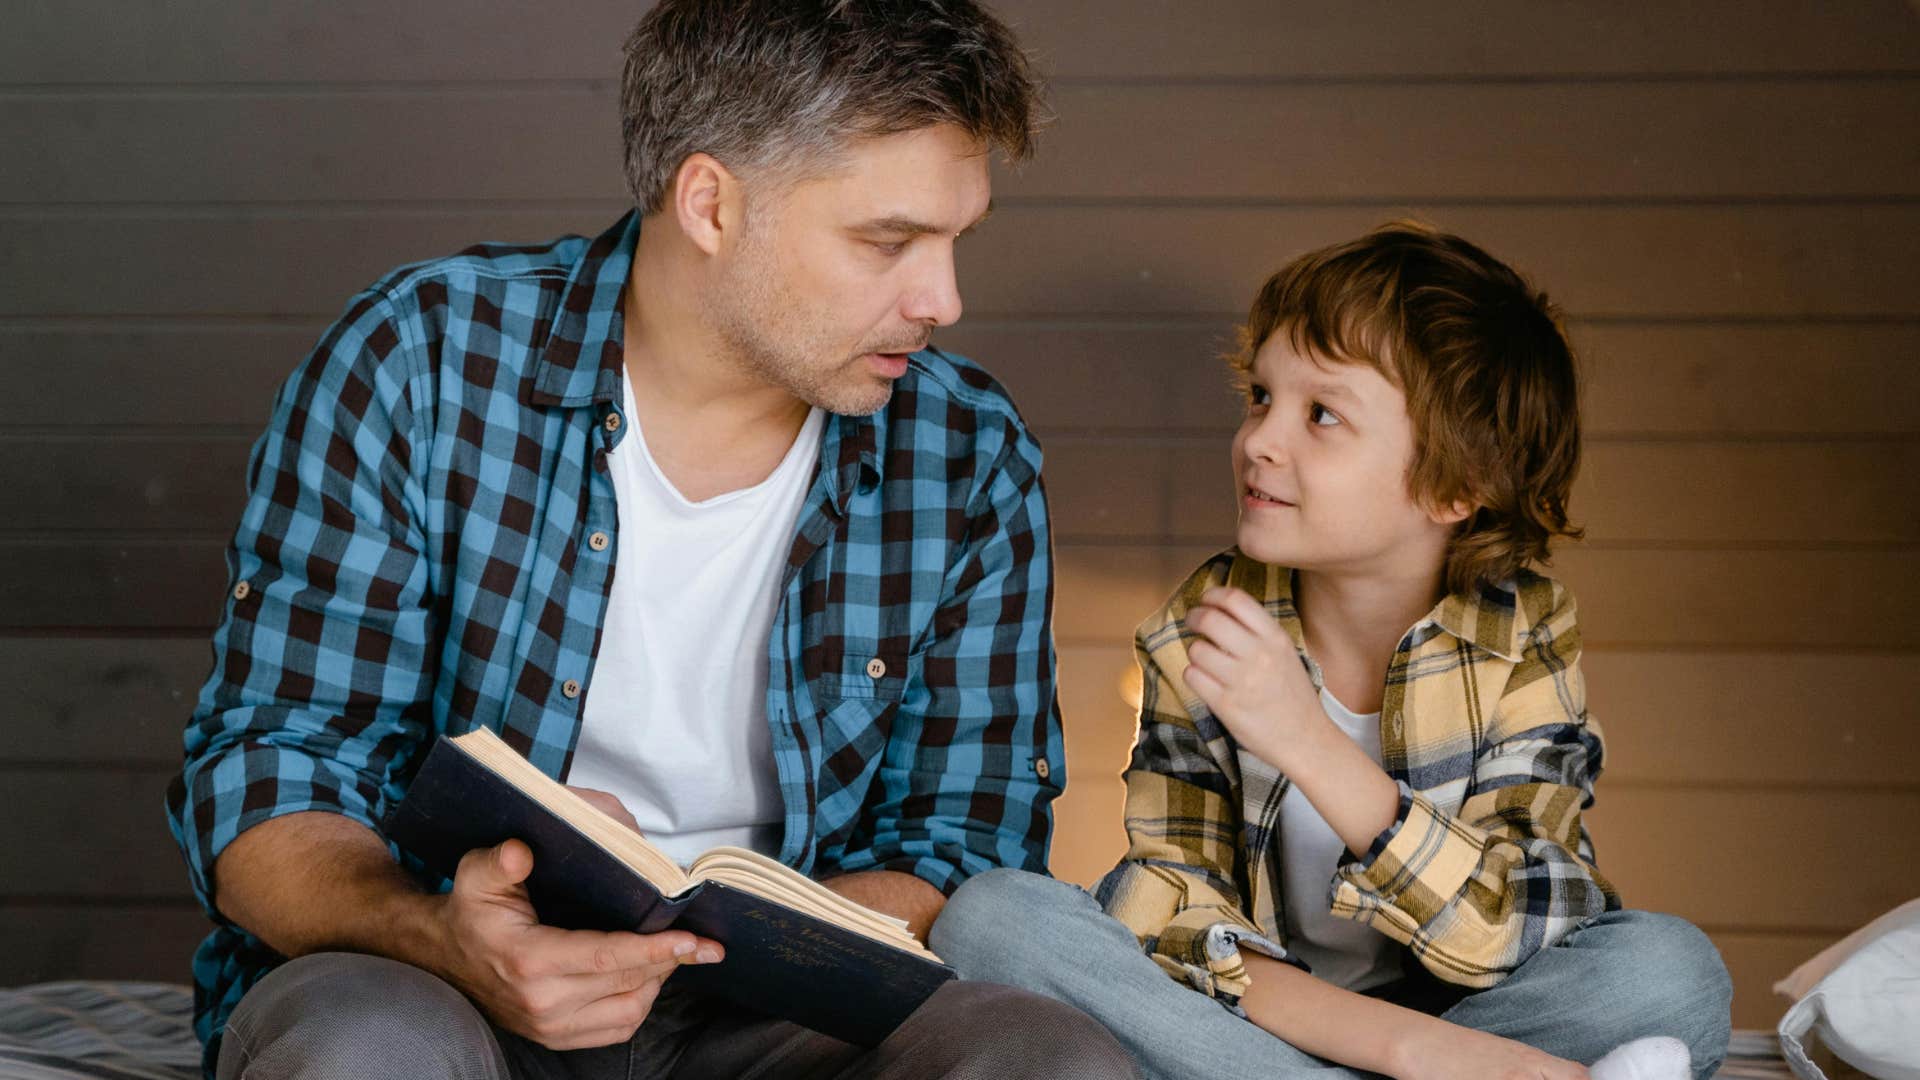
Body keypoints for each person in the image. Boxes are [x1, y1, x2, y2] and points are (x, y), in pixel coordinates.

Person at [163, 2, 1137, 1077]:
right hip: (441, 975)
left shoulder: (966, 453)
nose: (943, 298)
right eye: (889, 242)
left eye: (958, 240)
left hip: (776, 1010)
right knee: (367, 1051)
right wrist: (444, 933)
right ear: (711, 203)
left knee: (1048, 1059)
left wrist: (704, 950)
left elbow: (964, 843)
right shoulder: (422, 361)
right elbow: (273, 775)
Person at [930, 223, 1733, 1079]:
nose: (1260, 441)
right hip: (1274, 1025)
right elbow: (1174, 905)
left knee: (1671, 974)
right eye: (1260, 397)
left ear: (1456, 485)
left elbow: (1519, 923)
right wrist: (1408, 1049)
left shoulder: (1522, 635)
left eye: (1321, 413)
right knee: (988, 919)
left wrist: (1307, 741)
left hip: (1478, 1011)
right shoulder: (1204, 623)